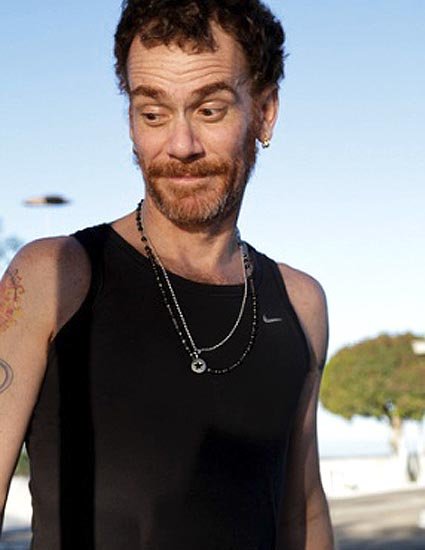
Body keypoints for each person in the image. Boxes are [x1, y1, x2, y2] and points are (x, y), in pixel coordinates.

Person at [0, 0, 334, 548]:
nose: (180, 146)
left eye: (209, 110)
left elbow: (304, 513)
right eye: (153, 113)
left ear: (265, 112)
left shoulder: (301, 304)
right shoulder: (53, 278)